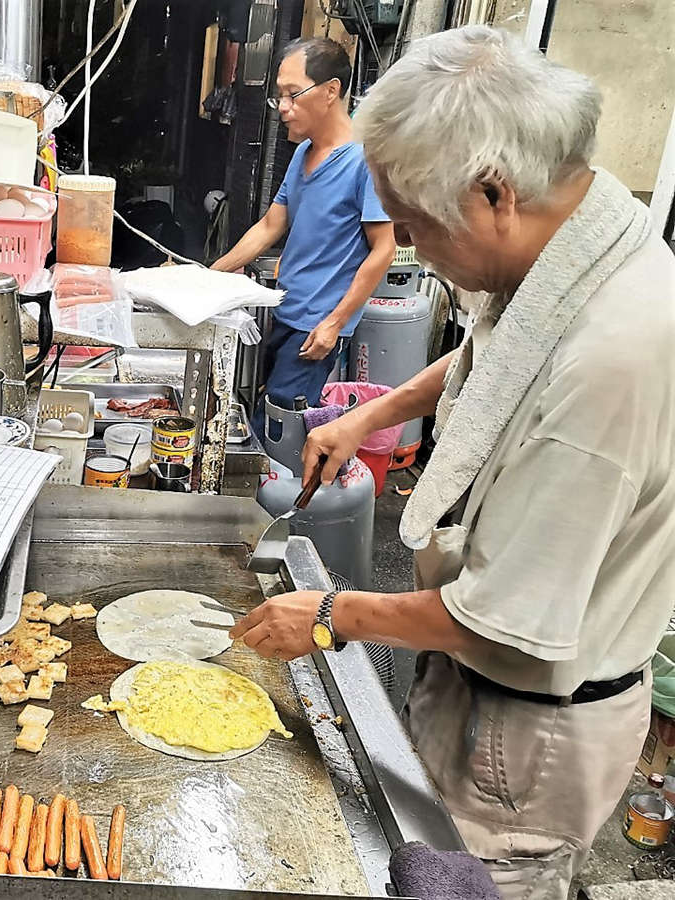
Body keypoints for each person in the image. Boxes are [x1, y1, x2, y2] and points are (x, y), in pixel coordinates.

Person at [229, 26, 675, 899]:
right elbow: (496, 348)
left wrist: (329, 613)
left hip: (526, 737)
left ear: (494, 192)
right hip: (481, 694)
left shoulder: (614, 364)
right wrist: (383, 411)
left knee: (470, 881)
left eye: (417, 226)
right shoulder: (575, 228)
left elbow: (501, 622)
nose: (407, 247)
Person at [211, 37, 395, 425]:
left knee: (278, 426)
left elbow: (384, 250)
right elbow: (270, 225)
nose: (283, 108)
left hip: (315, 328)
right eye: (279, 95)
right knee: (262, 413)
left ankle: (281, 485)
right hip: (284, 310)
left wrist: (335, 323)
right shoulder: (302, 154)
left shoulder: (366, 161)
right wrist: (210, 276)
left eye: (293, 95)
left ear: (331, 91)